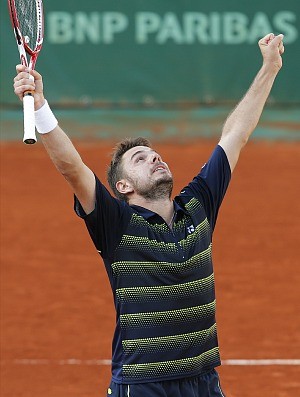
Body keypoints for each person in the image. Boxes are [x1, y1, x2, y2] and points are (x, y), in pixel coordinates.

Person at [13, 33, 284, 397]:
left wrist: (270, 68)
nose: (154, 158)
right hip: (143, 385)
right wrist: (41, 107)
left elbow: (236, 133)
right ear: (123, 186)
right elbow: (71, 167)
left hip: (203, 381)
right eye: (139, 159)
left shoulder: (198, 205)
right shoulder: (117, 225)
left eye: (154, 154)